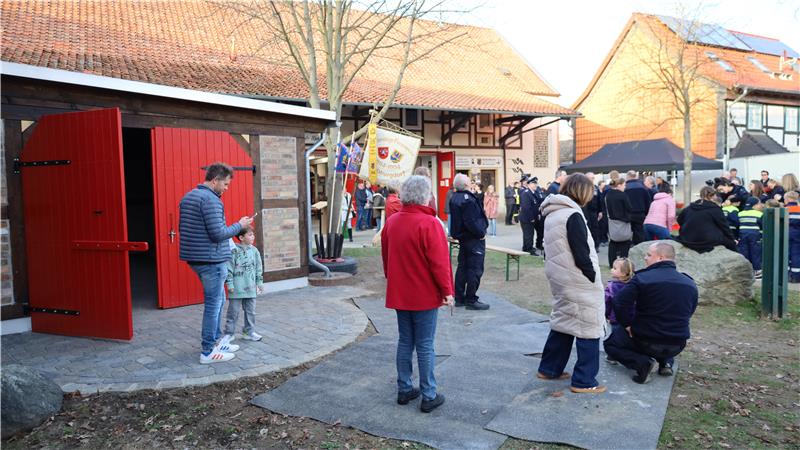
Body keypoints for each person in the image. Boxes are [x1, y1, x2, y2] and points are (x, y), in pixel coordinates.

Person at [381, 175, 454, 413]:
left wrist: (392, 279)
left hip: (400, 291)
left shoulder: (392, 222)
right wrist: (447, 291)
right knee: (424, 344)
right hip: (424, 293)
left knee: (405, 340)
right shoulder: (430, 223)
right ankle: (428, 394)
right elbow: (440, 263)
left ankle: (404, 388)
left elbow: (386, 257)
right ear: (425, 196)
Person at [537, 173, 606, 393]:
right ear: (583, 191)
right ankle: (584, 380)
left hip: (560, 276)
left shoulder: (553, 212)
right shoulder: (572, 215)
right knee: (589, 324)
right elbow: (581, 251)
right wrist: (592, 276)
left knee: (564, 319)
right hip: (577, 278)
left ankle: (549, 368)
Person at [179, 162, 253, 364]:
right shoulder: (211, 200)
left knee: (219, 301)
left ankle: (217, 342)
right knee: (214, 305)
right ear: (215, 180)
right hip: (211, 260)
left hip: (196, 258)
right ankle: (208, 351)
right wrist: (240, 225)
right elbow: (218, 234)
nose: (226, 188)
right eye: (226, 184)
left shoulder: (189, 197)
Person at [604, 242, 698, 383]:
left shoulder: (642, 278)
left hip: (646, 340)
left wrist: (627, 325)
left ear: (660, 258)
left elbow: (619, 302)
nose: (645, 258)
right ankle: (666, 363)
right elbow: (690, 309)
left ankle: (642, 363)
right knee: (662, 336)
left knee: (610, 344)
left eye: (648, 255)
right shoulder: (689, 282)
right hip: (677, 343)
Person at [449, 173, 490, 310]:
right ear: (466, 184)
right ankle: (471, 299)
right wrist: (481, 233)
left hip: (463, 238)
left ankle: (459, 298)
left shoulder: (454, 197)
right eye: (469, 181)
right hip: (473, 238)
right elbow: (471, 221)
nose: (471, 183)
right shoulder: (468, 200)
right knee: (475, 269)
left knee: (463, 267)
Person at [223, 227, 264, 342]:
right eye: (250, 235)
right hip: (236, 288)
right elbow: (229, 268)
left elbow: (258, 268)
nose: (253, 237)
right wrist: (230, 284)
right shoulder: (234, 251)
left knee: (251, 312)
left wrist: (259, 282)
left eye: (253, 234)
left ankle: (248, 332)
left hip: (251, 287)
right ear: (241, 237)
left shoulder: (254, 251)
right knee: (233, 312)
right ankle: (229, 333)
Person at [676, 186, 737, 253]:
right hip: (706, 239)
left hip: (687, 238)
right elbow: (724, 226)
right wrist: (732, 239)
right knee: (730, 243)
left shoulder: (690, 207)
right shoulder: (714, 208)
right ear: (712, 196)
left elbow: (679, 220)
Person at [604, 257, 635, 341]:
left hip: (615, 319)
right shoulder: (634, 285)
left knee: (616, 340)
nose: (611, 270)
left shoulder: (611, 287)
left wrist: (606, 315)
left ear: (623, 273)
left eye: (614, 268)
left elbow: (606, 302)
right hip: (632, 319)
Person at [605, 179, 633, 267]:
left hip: (612, 222)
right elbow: (629, 208)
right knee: (625, 243)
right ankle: (623, 264)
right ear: (619, 185)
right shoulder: (622, 195)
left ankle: (612, 263)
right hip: (623, 222)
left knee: (613, 243)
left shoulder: (608, 195)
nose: (625, 187)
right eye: (624, 185)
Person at [738, 197, 764, 279]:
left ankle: (745, 271)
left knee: (744, 253)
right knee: (755, 253)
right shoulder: (759, 214)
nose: (760, 205)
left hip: (742, 235)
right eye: (759, 204)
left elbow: (737, 224)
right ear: (754, 205)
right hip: (754, 235)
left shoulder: (740, 213)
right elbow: (763, 225)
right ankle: (757, 271)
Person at [624, 171, 652, 245]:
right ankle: (638, 246)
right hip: (640, 213)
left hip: (627, 213)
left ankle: (627, 246)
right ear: (636, 176)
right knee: (639, 231)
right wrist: (646, 212)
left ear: (627, 177)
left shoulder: (624, 187)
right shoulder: (643, 187)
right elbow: (648, 201)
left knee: (626, 231)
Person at [518, 176, 540, 255]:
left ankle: (526, 247)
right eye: (534, 183)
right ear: (529, 184)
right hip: (527, 218)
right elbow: (526, 208)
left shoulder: (532, 193)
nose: (536, 185)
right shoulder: (526, 193)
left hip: (530, 218)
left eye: (536, 183)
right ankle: (529, 249)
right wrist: (531, 218)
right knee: (528, 234)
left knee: (529, 234)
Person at [583, 172, 602, 250]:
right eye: (591, 178)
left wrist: (600, 211)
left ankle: (596, 245)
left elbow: (600, 199)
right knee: (587, 228)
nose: (592, 179)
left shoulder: (595, 188)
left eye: (593, 178)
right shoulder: (583, 187)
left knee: (595, 228)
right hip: (586, 211)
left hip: (594, 211)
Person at [784, 191, 800, 283]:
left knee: (785, 254)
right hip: (797, 235)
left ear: (788, 199)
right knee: (796, 255)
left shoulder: (784, 209)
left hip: (785, 234)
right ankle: (796, 277)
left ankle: (785, 276)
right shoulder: (799, 209)